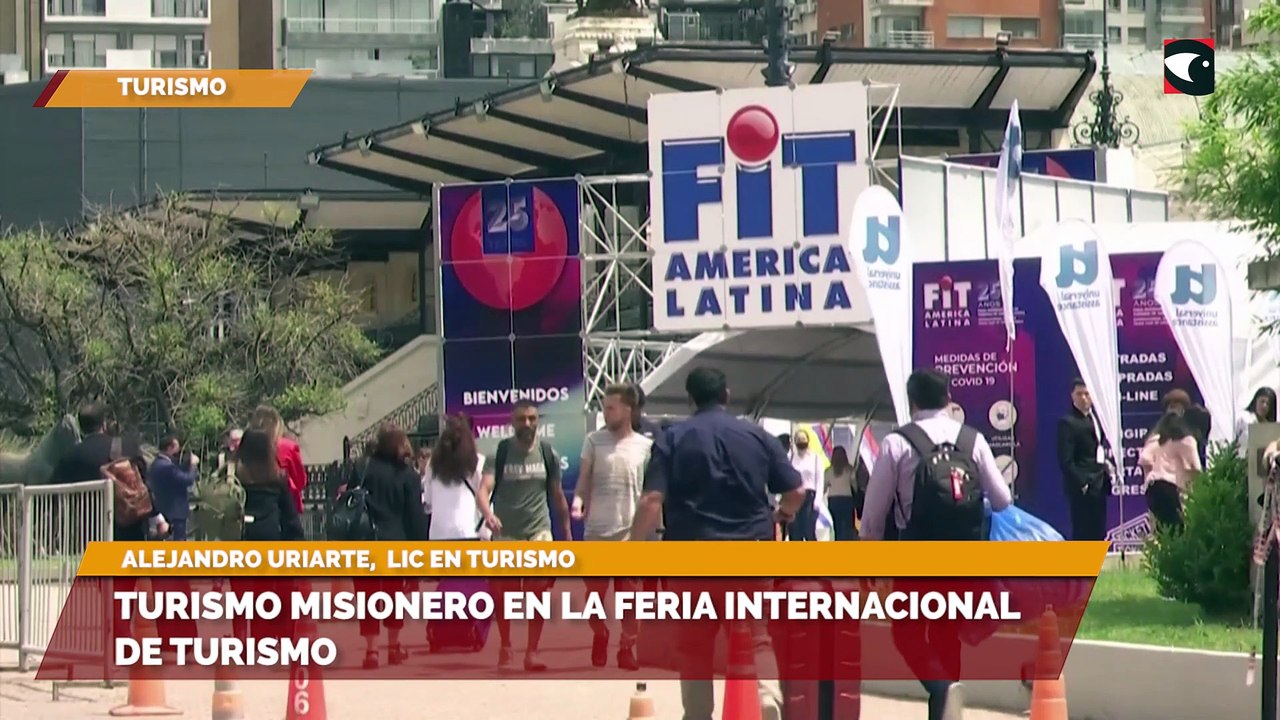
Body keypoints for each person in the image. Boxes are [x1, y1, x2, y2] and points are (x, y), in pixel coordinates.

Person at [630, 367, 804, 720]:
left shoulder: (672, 437)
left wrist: (633, 547)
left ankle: (698, 714)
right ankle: (767, 699)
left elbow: (651, 500)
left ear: (690, 399)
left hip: (692, 557)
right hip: (751, 552)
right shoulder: (757, 435)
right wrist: (781, 515)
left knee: (694, 645)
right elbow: (796, 491)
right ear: (726, 395)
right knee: (757, 637)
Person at [861, 369, 1012, 720]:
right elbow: (1002, 499)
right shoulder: (972, 439)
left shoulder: (898, 443)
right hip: (964, 554)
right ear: (948, 398)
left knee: (907, 634)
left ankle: (943, 689)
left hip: (916, 553)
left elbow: (872, 517)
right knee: (947, 634)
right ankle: (946, 701)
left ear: (911, 400)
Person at [478, 400, 572, 671]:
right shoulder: (501, 452)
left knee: (538, 594)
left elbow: (556, 495)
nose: (527, 424)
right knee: (504, 594)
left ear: (538, 421)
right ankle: (506, 646)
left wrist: (566, 533)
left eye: (532, 418)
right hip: (506, 533)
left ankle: (533, 651)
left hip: (538, 531)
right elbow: (484, 488)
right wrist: (488, 513)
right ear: (513, 421)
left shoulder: (547, 453)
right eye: (522, 419)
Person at [574, 383, 652, 670]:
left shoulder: (646, 447)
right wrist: (578, 501)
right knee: (593, 598)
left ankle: (626, 648)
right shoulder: (593, 441)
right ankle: (600, 633)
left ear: (627, 410)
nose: (605, 413)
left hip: (629, 533)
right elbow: (583, 478)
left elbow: (651, 492)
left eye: (611, 408)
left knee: (630, 598)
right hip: (596, 532)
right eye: (604, 408)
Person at [358, 423, 430, 669]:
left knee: (367, 598)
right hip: (396, 541)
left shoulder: (364, 469)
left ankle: (371, 650)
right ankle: (393, 646)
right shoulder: (407, 475)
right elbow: (415, 516)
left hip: (366, 539)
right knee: (393, 597)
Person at [232, 428, 304, 640]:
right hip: (269, 534)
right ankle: (264, 635)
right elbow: (289, 514)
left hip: (241, 536)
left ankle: (241, 637)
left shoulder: (236, 475)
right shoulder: (277, 476)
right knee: (266, 589)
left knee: (240, 593)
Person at [1056, 378, 1111, 542]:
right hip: (1083, 487)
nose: (1084, 398)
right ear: (1072, 396)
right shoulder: (1067, 422)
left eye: (1087, 394)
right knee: (1083, 530)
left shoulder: (1097, 419)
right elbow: (1065, 460)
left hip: (1100, 482)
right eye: (1079, 394)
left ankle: (1098, 565)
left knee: (1099, 529)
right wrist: (1082, 483)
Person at [1139, 411, 1201, 533]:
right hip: (1170, 486)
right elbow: (1196, 468)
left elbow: (1144, 459)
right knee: (1177, 530)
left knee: (1162, 530)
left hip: (1152, 487)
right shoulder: (1186, 440)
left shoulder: (1157, 439)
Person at [426, 415, 482, 541]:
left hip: (438, 533)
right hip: (468, 530)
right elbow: (483, 498)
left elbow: (428, 500)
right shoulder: (476, 462)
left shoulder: (433, 464)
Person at [250, 405, 307, 513]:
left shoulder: (246, 446)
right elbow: (300, 481)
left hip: (253, 505)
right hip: (285, 507)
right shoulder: (288, 447)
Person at [149, 435, 199, 541]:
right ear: (169, 448)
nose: (179, 449)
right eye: (176, 446)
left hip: (164, 508)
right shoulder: (167, 467)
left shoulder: (157, 463)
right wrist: (194, 466)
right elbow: (187, 480)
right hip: (175, 511)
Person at [787, 429, 823, 541]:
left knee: (809, 530)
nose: (801, 441)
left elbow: (819, 480)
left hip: (809, 497)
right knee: (795, 530)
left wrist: (818, 500)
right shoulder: (791, 458)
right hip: (795, 497)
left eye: (803, 439)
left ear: (808, 440)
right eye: (798, 439)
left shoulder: (815, 457)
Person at [825, 446, 858, 541]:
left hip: (833, 500)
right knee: (848, 526)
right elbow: (855, 486)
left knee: (837, 526)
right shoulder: (849, 470)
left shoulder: (828, 471)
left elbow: (823, 487)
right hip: (847, 500)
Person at [1237, 387, 1277, 454]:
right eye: (1262, 401)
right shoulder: (1244, 418)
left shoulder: (1270, 427)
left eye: (1268, 404)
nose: (1264, 406)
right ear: (1256, 400)